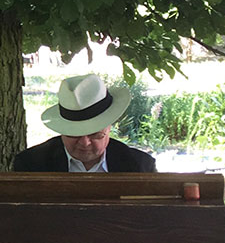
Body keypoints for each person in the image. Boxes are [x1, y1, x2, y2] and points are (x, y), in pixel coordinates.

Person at [12, 73, 157, 172]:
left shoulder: (140, 165)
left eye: (95, 134)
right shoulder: (30, 164)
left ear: (109, 126)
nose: (84, 142)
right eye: (74, 134)